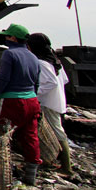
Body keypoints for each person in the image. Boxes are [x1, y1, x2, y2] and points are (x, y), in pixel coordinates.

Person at [0, 23, 42, 185]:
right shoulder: (33, 57)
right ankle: (31, 175)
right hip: (32, 101)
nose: (4, 38)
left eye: (7, 36)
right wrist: (33, 98)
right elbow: (37, 82)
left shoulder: (9, 54)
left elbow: (3, 79)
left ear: (13, 38)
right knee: (30, 137)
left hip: (12, 101)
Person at [27, 32, 72, 175]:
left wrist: (34, 93)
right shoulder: (55, 61)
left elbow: (51, 82)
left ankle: (67, 168)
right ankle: (58, 162)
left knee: (57, 132)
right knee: (55, 131)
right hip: (56, 101)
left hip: (48, 103)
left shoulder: (41, 63)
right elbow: (64, 80)